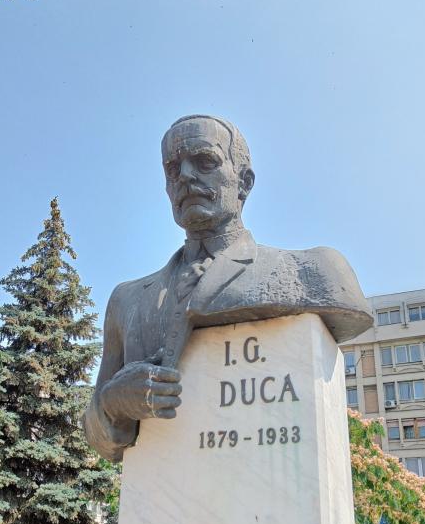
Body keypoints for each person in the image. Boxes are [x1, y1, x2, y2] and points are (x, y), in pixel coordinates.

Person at [84, 114, 373, 461]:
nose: (185, 176)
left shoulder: (315, 272)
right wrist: (112, 403)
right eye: (173, 169)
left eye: (205, 161)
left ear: (244, 182)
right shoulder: (128, 301)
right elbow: (101, 442)